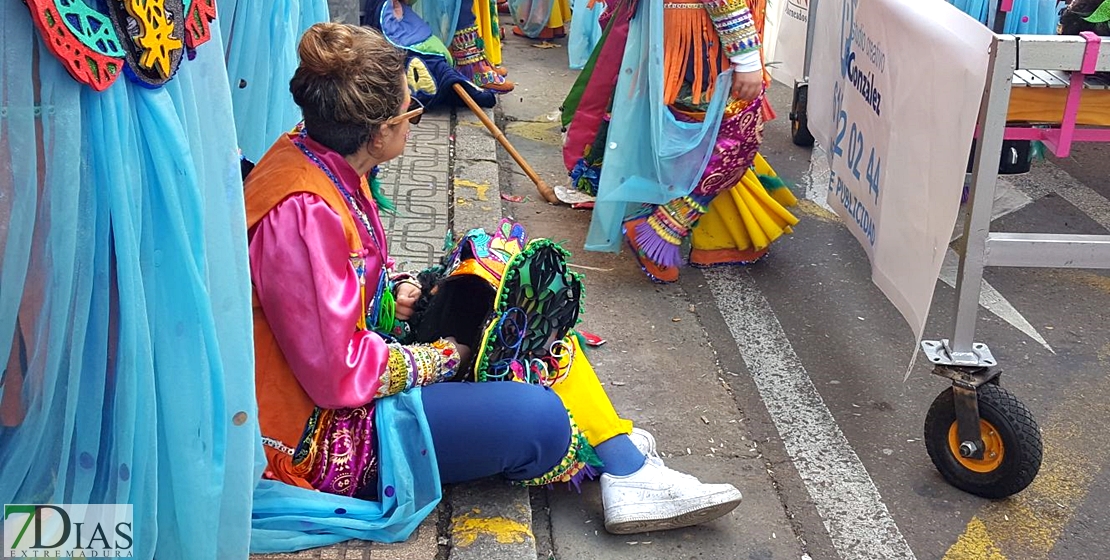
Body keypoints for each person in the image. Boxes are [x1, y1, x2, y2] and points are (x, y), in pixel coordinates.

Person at [244, 22, 743, 537]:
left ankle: (623, 463)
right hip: (316, 431)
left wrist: (393, 297)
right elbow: (335, 373)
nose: (413, 125)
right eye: (409, 113)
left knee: (513, 297)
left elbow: (328, 299)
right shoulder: (305, 210)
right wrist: (444, 357)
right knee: (541, 423)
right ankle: (620, 459)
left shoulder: (316, 159)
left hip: (342, 376)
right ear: (378, 132)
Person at [561, 0, 799, 283]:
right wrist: (746, 57)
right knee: (737, 136)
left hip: (683, 38)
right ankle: (662, 228)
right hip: (699, 42)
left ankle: (714, 238)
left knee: (696, 136)